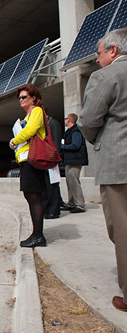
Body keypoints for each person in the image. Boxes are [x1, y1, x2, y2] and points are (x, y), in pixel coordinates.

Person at [77, 27, 127, 312]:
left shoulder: (105, 77)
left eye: (99, 53)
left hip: (118, 165)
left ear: (113, 51)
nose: (96, 60)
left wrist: (98, 140)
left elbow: (88, 120)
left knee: (122, 230)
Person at [9, 84, 47, 248]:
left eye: (24, 97)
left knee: (34, 197)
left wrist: (14, 141)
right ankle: (36, 233)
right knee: (30, 196)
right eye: (19, 98)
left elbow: (30, 131)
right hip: (26, 159)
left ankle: (38, 236)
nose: (21, 100)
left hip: (32, 159)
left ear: (33, 97)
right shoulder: (27, 116)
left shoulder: (37, 111)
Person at [60, 113, 88, 214]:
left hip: (75, 160)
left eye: (65, 118)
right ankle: (71, 204)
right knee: (69, 182)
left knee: (74, 182)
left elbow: (75, 145)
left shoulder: (76, 131)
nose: (65, 120)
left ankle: (80, 205)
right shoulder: (69, 131)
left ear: (69, 120)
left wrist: (61, 147)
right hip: (70, 160)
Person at [42, 114, 63, 219]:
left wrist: (52, 159)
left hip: (51, 161)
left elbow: (56, 144)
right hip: (44, 161)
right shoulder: (44, 124)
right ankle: (46, 210)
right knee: (45, 188)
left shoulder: (53, 123)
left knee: (53, 188)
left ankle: (54, 211)